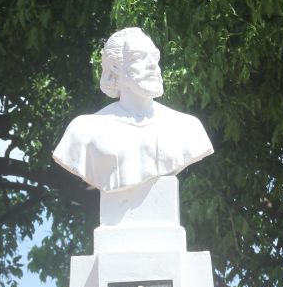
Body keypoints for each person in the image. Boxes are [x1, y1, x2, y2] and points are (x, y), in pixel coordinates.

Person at [52, 27, 213, 192]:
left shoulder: (187, 128)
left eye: (154, 57)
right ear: (115, 67)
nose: (153, 66)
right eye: (138, 57)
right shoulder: (84, 131)